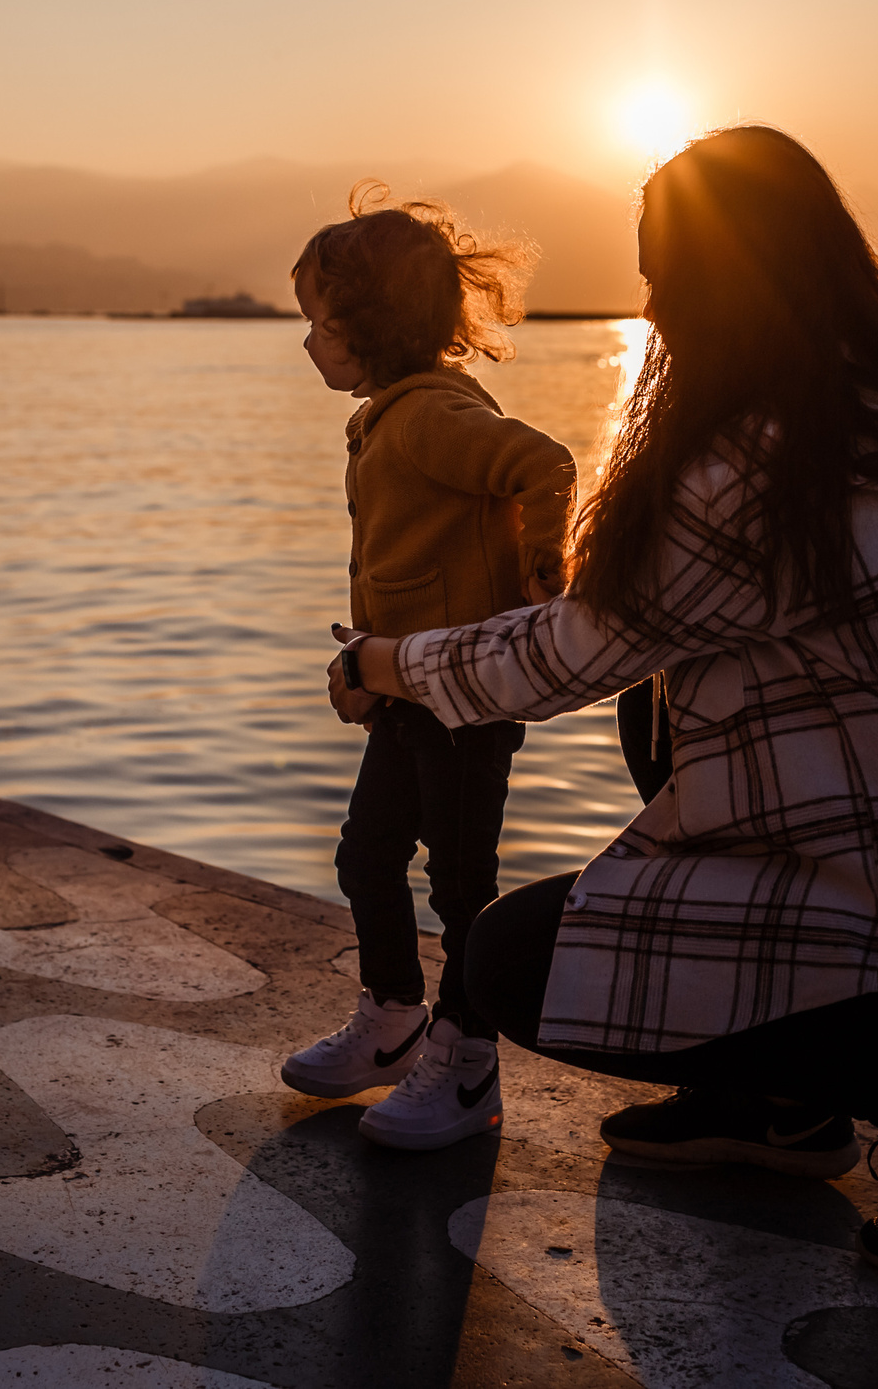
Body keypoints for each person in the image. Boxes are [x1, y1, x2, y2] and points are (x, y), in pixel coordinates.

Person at [324, 127, 878, 1277]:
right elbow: (635, 631)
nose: (650, 306)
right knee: (659, 711)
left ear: (727, 280)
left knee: (510, 966)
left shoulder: (766, 460)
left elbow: (564, 657)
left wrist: (384, 664)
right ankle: (775, 1108)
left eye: (662, 274)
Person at [280, 183, 576, 1152]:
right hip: (410, 695)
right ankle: (395, 1014)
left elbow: (540, 463)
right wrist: (370, 671)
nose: (310, 342)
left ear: (370, 326)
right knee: (366, 854)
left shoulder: (426, 417)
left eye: (320, 322)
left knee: (460, 885)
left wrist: (543, 568)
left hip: (465, 699)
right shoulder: (395, 414)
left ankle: (468, 1053)